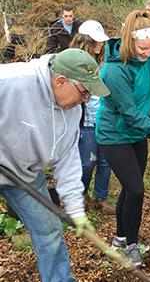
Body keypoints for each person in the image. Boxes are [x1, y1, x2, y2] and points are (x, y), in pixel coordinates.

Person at [0, 48, 110, 281]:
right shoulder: (12, 81)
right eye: (84, 92)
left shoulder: (72, 110)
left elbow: (68, 161)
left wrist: (76, 211)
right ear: (60, 81)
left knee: (49, 229)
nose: (86, 99)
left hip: (23, 175)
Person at [96, 10, 150, 267]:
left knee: (131, 189)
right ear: (130, 41)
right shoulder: (113, 71)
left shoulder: (147, 59)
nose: (148, 52)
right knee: (137, 190)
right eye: (143, 48)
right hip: (114, 135)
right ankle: (131, 246)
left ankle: (120, 238)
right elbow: (129, 113)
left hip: (136, 132)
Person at [69, 20, 114, 214]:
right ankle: (80, 195)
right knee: (87, 162)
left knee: (106, 161)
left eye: (102, 41)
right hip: (85, 123)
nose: (100, 44)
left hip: (103, 119)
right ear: (85, 40)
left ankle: (101, 198)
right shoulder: (75, 64)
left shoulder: (104, 63)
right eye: (96, 41)